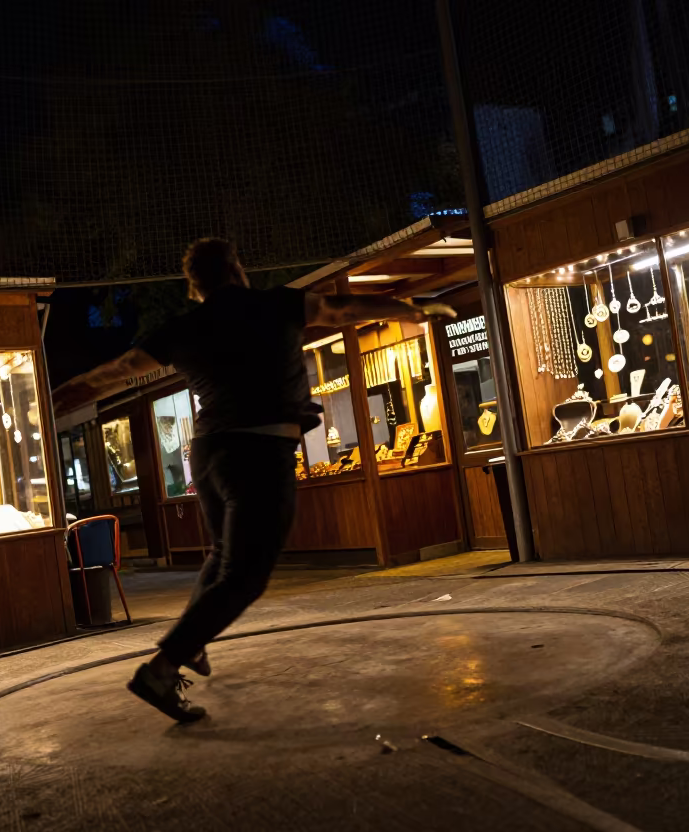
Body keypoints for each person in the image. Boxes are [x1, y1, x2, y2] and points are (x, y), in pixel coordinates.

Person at [51, 238, 455, 722]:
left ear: (194, 286)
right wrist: (407, 306)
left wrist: (67, 391)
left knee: (224, 557)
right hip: (259, 453)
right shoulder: (277, 303)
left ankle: (191, 642)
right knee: (246, 575)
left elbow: (121, 369)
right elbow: (338, 307)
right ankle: (161, 668)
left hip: (210, 455)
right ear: (238, 270)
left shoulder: (184, 327)